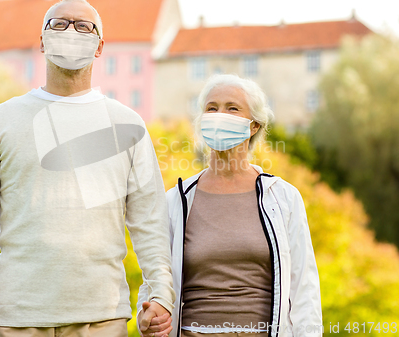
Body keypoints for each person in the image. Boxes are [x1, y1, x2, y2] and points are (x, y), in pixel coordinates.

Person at [0, 0, 175, 337]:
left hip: (101, 316)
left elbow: (151, 220)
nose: (71, 31)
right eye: (59, 24)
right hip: (16, 315)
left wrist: (161, 294)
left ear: (99, 46)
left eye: (83, 25)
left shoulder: (128, 124)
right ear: (42, 41)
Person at [137, 74, 322, 337]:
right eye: (211, 108)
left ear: (254, 125)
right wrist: (146, 319)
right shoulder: (176, 201)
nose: (219, 115)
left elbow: (305, 289)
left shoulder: (283, 198)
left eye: (232, 108)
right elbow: (153, 280)